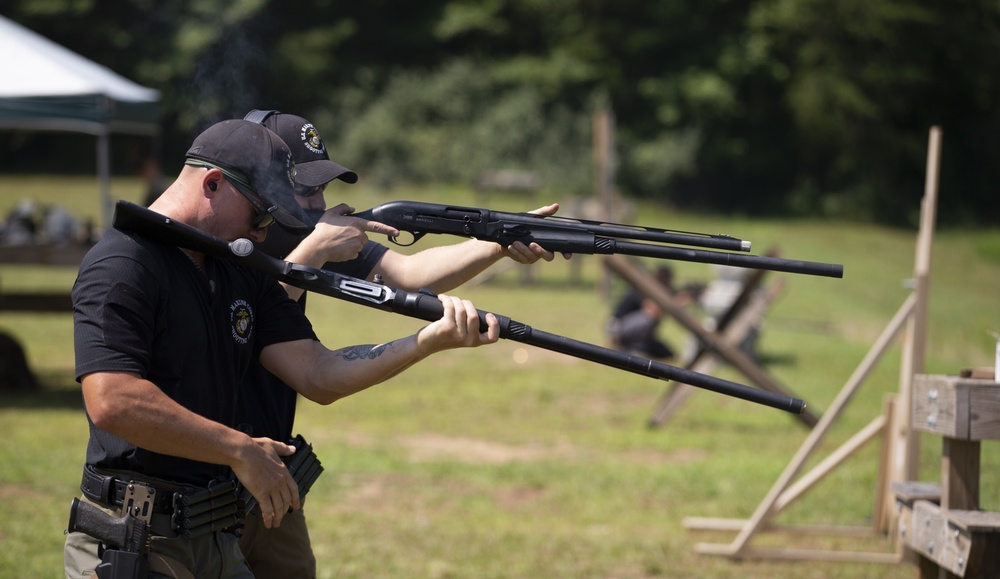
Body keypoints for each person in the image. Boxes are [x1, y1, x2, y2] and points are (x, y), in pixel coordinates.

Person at [64, 119, 501, 579]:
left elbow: (319, 373)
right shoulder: (124, 262)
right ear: (213, 184)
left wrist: (425, 342)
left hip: (214, 535)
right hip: (135, 538)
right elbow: (113, 399)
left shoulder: (237, 268)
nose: (263, 233)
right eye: (262, 215)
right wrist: (238, 448)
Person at [234, 110, 566, 578]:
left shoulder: (305, 234)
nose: (319, 202)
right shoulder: (218, 242)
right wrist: (312, 253)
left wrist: (501, 239)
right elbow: (240, 329)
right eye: (305, 189)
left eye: (322, 188)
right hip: (211, 471)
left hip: (276, 477)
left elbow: (411, 275)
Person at [606, 265, 700, 360]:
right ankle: (624, 346)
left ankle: (637, 347)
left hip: (636, 331)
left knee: (667, 353)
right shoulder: (644, 287)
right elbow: (652, 311)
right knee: (649, 317)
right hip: (617, 327)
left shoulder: (661, 290)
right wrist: (675, 303)